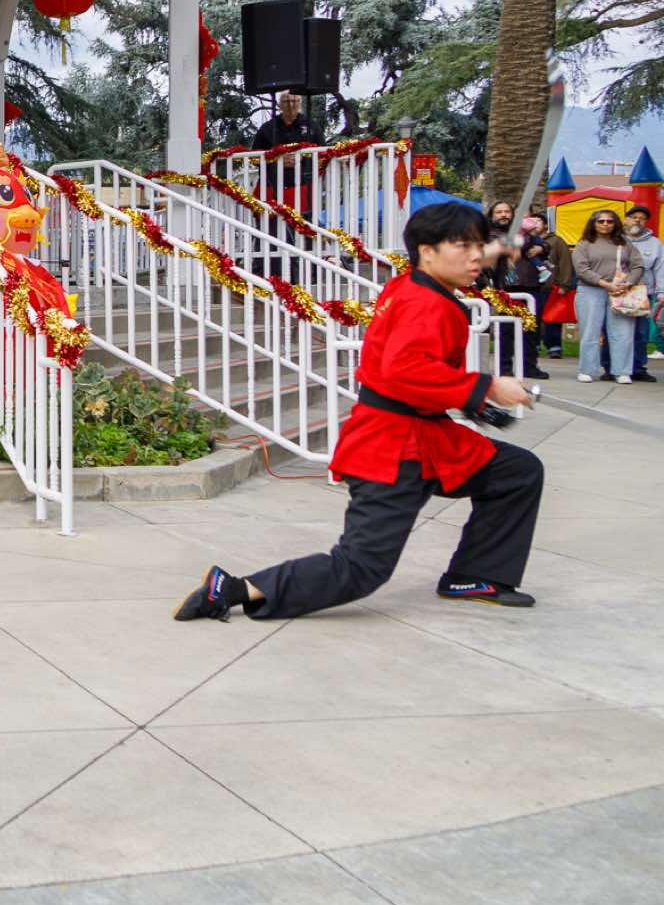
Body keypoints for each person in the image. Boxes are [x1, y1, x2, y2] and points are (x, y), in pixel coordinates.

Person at [174, 202, 541, 623]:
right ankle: (234, 588)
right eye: (464, 246)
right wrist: (488, 387)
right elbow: (404, 370)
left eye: (479, 247)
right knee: (361, 567)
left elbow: (450, 270)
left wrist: (492, 249)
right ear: (427, 252)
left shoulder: (413, 283)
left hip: (427, 438)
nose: (475, 257)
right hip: (392, 448)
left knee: (516, 472)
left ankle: (475, 575)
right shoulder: (425, 303)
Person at [573, 208, 637, 384]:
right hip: (590, 291)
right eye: (601, 221)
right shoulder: (584, 244)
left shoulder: (626, 243)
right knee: (590, 332)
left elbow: (638, 266)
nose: (605, 224)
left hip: (621, 291)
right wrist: (605, 284)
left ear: (615, 224)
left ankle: (622, 371)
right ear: (593, 224)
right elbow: (581, 269)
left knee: (623, 332)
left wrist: (628, 283)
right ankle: (587, 370)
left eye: (610, 221)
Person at [481, 201, 543, 379]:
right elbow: (507, 245)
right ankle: (504, 367)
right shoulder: (490, 234)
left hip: (530, 285)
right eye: (499, 212)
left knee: (531, 329)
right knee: (506, 329)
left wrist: (541, 246)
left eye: (507, 211)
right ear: (492, 216)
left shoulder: (524, 232)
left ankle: (529, 366)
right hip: (506, 287)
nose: (504, 215)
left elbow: (543, 246)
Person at [620, 206, 661, 382]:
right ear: (626, 220)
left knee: (641, 333)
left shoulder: (655, 243)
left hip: (643, 293)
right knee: (616, 332)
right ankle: (611, 366)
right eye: (634, 216)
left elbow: (660, 269)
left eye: (642, 218)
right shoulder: (616, 240)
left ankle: (638, 368)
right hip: (618, 292)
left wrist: (661, 292)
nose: (637, 220)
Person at [536, 210, 576, 358]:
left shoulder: (556, 241)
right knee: (533, 317)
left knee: (553, 317)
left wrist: (564, 284)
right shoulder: (525, 240)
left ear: (546, 225)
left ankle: (554, 347)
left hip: (551, 286)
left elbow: (565, 262)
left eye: (538, 221)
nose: (534, 224)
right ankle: (534, 345)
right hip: (531, 286)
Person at [249, 91, 322, 150]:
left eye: (294, 101)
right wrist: (278, 159)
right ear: (280, 104)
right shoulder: (267, 128)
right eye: (286, 101)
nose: (290, 105)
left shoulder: (311, 126)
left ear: (300, 103)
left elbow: (323, 152)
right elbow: (254, 157)